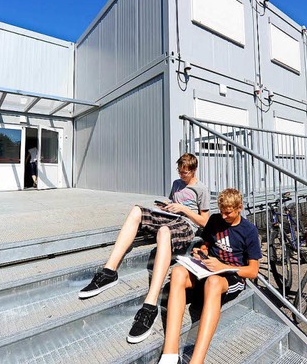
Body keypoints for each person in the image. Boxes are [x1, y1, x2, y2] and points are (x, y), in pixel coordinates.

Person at [78, 153, 210, 344]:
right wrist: (167, 207)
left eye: (186, 173)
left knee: (164, 232)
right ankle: (109, 271)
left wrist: (184, 210)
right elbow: (172, 203)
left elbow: (204, 221)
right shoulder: (176, 183)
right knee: (136, 210)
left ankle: (150, 305)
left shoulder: (201, 189)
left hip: (186, 225)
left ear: (194, 170)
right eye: (180, 172)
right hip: (170, 217)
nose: (182, 176)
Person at [158, 188, 261, 364]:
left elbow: (253, 271)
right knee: (177, 272)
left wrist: (223, 267)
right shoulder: (215, 220)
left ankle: (197, 360)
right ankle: (169, 353)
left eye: (228, 213)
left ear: (239, 208)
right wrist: (202, 252)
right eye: (221, 211)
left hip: (230, 276)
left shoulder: (249, 230)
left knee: (213, 282)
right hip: (207, 268)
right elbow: (207, 244)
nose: (224, 216)